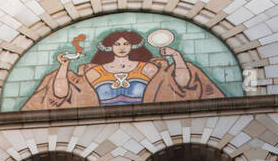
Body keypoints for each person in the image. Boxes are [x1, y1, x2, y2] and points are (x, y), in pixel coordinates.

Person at [22, 30, 225, 110]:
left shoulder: (148, 69)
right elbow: (60, 93)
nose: (121, 47)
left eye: (126, 43)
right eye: (117, 44)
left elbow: (182, 84)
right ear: (109, 47)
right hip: (97, 127)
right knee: (53, 77)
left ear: (132, 46)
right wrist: (64, 65)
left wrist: (176, 57)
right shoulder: (93, 72)